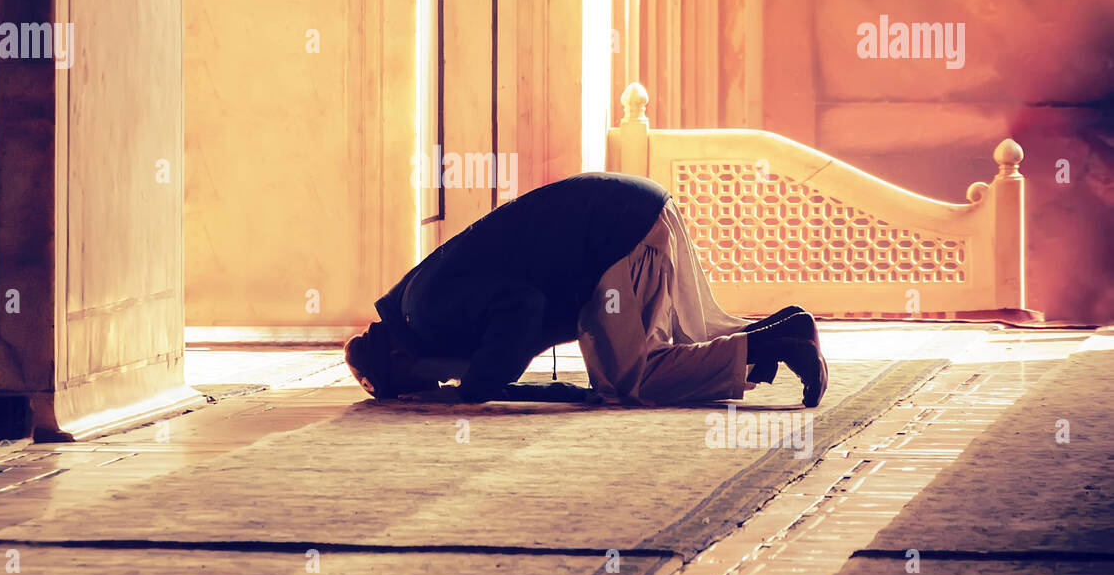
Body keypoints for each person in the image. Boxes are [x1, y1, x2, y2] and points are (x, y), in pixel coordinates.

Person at [345, 172, 827, 407]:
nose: (438, 381)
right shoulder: (419, 299)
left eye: (424, 380)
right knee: (681, 346)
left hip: (616, 232)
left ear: (400, 359)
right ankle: (785, 329)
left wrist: (474, 391)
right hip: (632, 212)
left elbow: (522, 307)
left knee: (631, 383)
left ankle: (775, 345)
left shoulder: (423, 314)